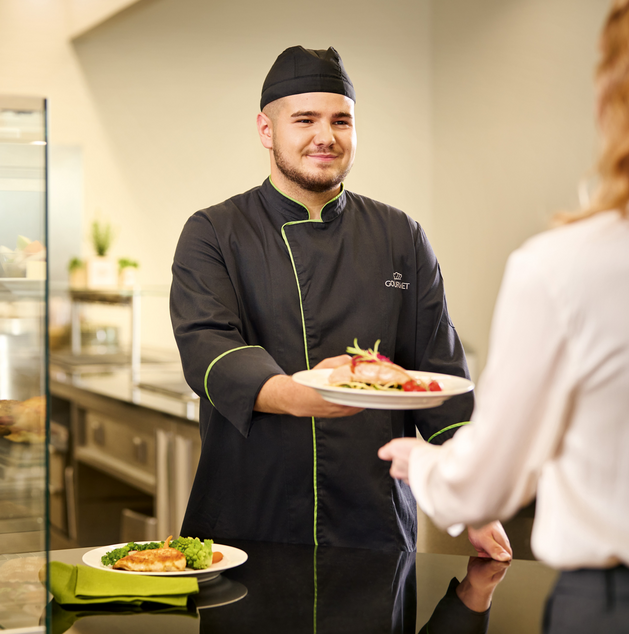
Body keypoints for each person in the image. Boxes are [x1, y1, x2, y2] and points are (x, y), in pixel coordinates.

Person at [171, 45, 511, 558]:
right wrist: (304, 396)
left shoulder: (401, 236)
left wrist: (475, 502)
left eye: (341, 121)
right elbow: (209, 352)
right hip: (246, 520)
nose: (325, 137)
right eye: (304, 119)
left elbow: (440, 380)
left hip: (373, 526)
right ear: (267, 130)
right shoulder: (214, 232)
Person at [378, 1, 629, 631]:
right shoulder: (214, 233)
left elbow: (486, 483)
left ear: (610, 100)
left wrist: (427, 464)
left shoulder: (564, 266)